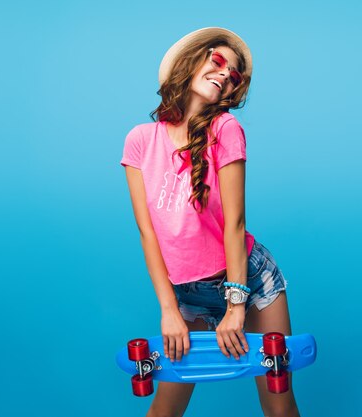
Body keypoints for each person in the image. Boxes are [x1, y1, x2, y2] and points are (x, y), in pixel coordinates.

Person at [120, 27, 301, 417]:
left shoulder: (226, 130)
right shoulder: (140, 140)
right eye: (217, 61)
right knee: (167, 404)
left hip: (249, 281)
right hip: (187, 294)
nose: (225, 74)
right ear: (191, 63)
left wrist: (237, 307)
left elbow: (235, 224)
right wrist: (169, 310)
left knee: (277, 398)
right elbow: (147, 232)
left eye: (234, 74)